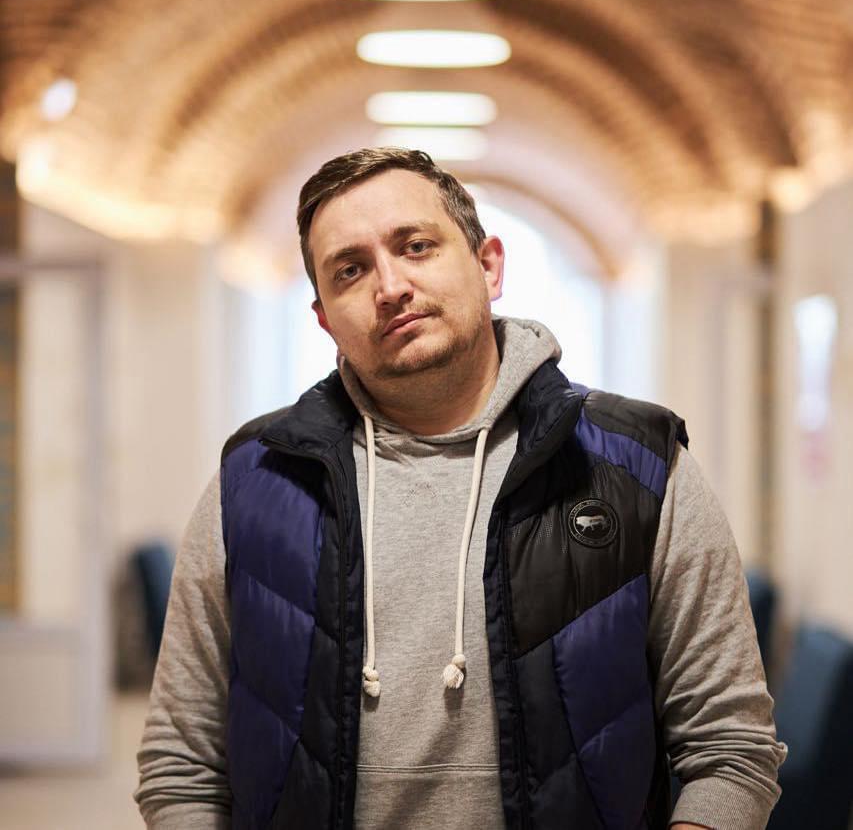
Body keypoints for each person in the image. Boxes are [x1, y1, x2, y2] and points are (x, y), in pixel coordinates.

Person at [135, 147, 786, 830]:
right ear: (325, 318)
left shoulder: (640, 465)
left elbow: (731, 749)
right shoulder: (253, 481)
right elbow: (182, 764)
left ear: (488, 265)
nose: (390, 286)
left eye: (415, 246)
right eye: (350, 270)